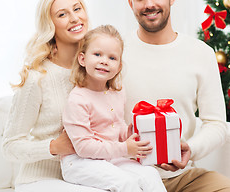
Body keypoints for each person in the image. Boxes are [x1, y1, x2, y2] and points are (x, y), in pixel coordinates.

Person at [123, 0, 230, 192]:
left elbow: (216, 124)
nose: (149, 4)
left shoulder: (201, 53)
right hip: (126, 177)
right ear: (131, 3)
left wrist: (190, 148)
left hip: (183, 178)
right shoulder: (114, 53)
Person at [1, 0, 105, 192]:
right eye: (62, 14)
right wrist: (54, 147)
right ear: (50, 25)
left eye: (77, 9)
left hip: (87, 175)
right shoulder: (37, 78)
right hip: (40, 180)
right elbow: (9, 146)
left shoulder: (98, 71)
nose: (74, 18)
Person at [61, 25, 167, 192]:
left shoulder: (117, 92)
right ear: (82, 59)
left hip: (110, 156)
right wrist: (125, 148)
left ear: (118, 67)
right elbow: (83, 147)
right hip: (79, 162)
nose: (104, 61)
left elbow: (117, 128)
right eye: (97, 54)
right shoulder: (78, 99)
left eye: (112, 58)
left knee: (150, 175)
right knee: (126, 183)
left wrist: (131, 133)